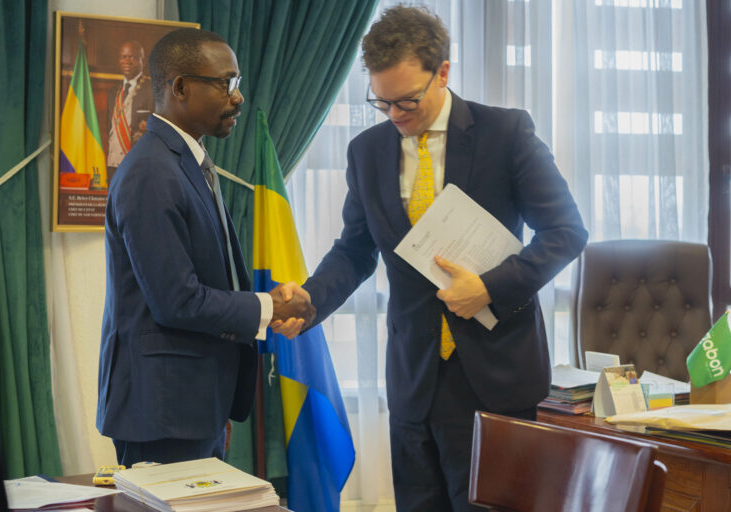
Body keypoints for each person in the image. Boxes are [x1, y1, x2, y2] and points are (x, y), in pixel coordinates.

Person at [278, 6, 587, 511]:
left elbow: (566, 232)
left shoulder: (504, 133)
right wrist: (310, 298)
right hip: (414, 380)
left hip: (496, 379)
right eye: (381, 102)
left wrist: (488, 287)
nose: (395, 115)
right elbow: (355, 250)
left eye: (407, 101)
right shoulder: (366, 152)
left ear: (443, 71)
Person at [96, 27, 314, 467]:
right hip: (162, 413)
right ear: (180, 87)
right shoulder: (151, 171)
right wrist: (268, 306)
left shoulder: (184, 161)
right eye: (226, 83)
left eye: (238, 83)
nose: (238, 97)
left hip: (193, 404)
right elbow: (177, 301)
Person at [105, 40, 154, 187]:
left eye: (132, 57)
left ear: (142, 60)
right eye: (123, 57)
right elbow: (108, 128)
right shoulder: (113, 92)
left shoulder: (151, 90)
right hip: (113, 163)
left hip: (139, 163)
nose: (127, 61)